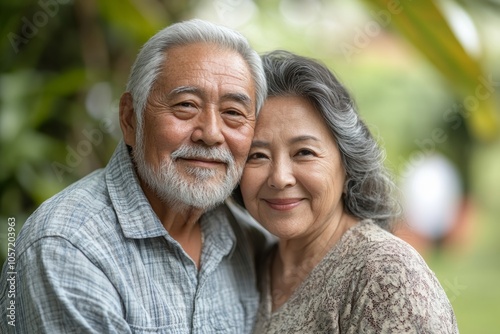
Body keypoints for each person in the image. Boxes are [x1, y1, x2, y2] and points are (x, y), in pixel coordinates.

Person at [0, 19, 268, 333]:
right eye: (185, 105)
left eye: (233, 112)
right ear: (130, 119)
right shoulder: (66, 247)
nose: (210, 134)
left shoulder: (250, 241)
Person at [235, 50, 459, 333]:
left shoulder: (385, 275)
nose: (279, 178)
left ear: (348, 164)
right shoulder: (251, 265)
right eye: (257, 155)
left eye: (304, 152)